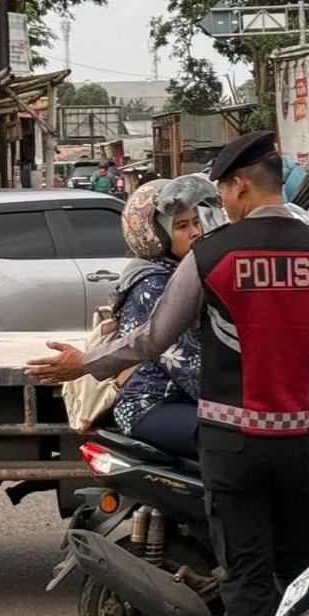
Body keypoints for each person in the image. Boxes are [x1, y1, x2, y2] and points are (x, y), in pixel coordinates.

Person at [26, 131, 309, 616]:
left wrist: (88, 362)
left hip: (232, 444)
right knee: (303, 569)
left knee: (248, 573)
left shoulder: (213, 256)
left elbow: (153, 337)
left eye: (221, 195)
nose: (216, 210)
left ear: (238, 186)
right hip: (305, 441)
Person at [109, 175, 223, 458]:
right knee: (230, 443)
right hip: (152, 403)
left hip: (185, 401)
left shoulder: (188, 273)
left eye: (197, 222)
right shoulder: (153, 285)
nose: (195, 232)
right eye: (182, 226)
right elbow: (189, 366)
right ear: (155, 235)